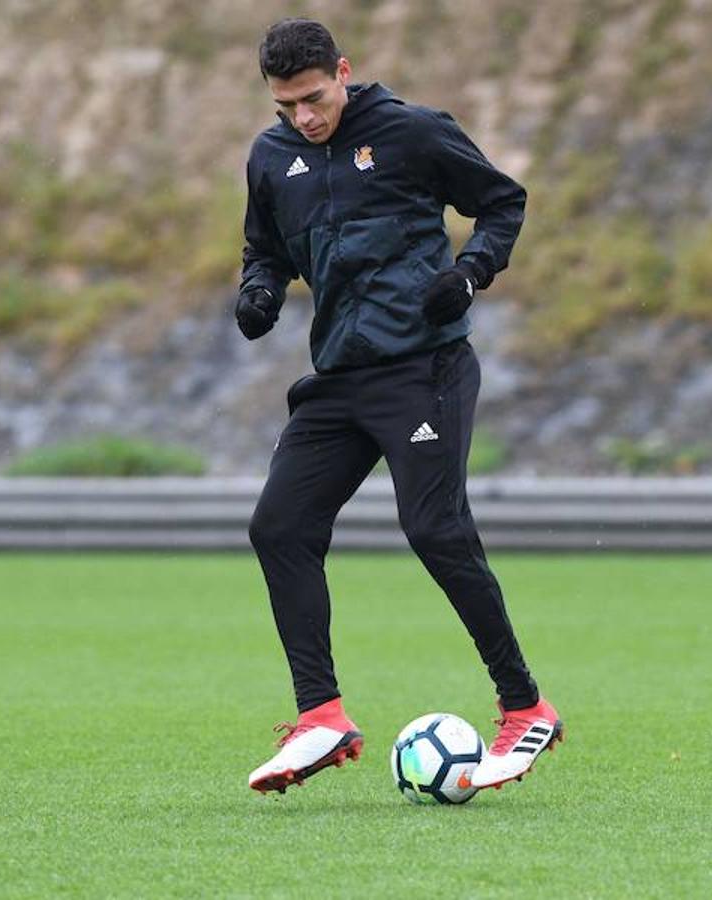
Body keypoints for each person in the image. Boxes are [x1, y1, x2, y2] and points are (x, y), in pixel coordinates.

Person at [238, 18, 561, 795]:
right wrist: (258, 290)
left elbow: (502, 202)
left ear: (342, 70)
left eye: (314, 98)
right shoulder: (271, 156)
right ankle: (320, 716)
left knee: (433, 527)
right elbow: (267, 246)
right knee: (279, 527)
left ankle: (525, 708)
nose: (304, 118)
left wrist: (471, 272)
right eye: (288, 107)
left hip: (426, 367)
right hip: (340, 378)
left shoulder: (412, 133)